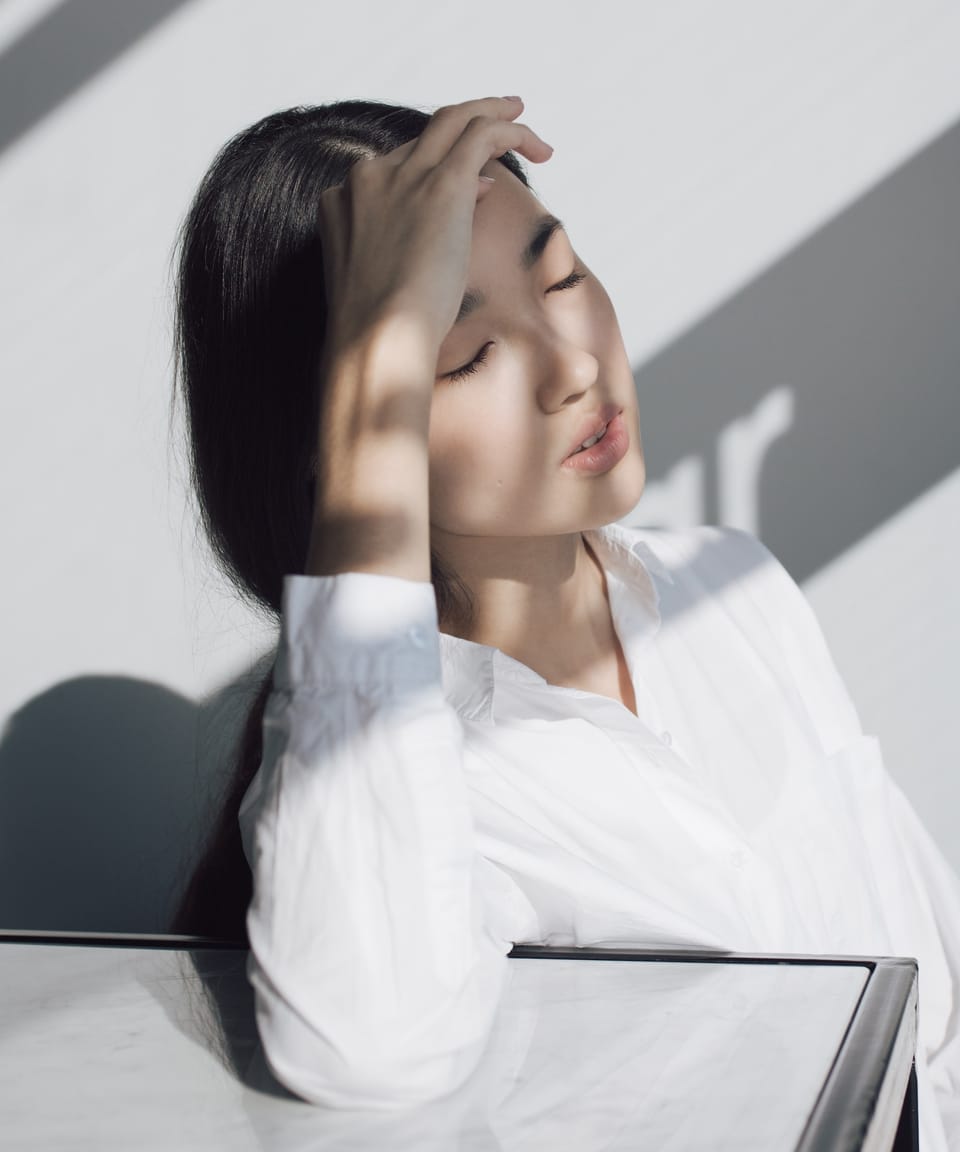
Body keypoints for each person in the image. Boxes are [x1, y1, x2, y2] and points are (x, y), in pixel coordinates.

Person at [171, 96, 960, 1146]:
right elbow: (366, 1049)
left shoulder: (736, 590)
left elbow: (929, 1013)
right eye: (460, 356)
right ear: (345, 433)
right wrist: (373, 382)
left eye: (563, 276)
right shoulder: (420, 776)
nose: (574, 366)